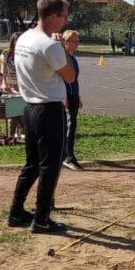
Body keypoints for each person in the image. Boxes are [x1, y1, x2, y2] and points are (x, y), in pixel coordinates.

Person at [7, 0, 76, 234]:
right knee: (50, 166)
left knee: (33, 164)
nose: (65, 22)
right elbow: (70, 76)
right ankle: (42, 218)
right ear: (53, 16)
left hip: (29, 108)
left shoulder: (24, 38)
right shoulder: (50, 45)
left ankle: (16, 211)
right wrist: (63, 48)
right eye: (64, 16)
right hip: (49, 109)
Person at [61, 30, 83, 170]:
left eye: (78, 41)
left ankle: (65, 155)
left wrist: (78, 96)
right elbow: (61, 80)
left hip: (73, 95)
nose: (77, 44)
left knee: (71, 125)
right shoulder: (62, 59)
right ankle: (68, 157)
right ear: (66, 41)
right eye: (74, 41)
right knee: (69, 125)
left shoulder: (72, 58)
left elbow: (74, 80)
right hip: (66, 97)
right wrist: (64, 97)